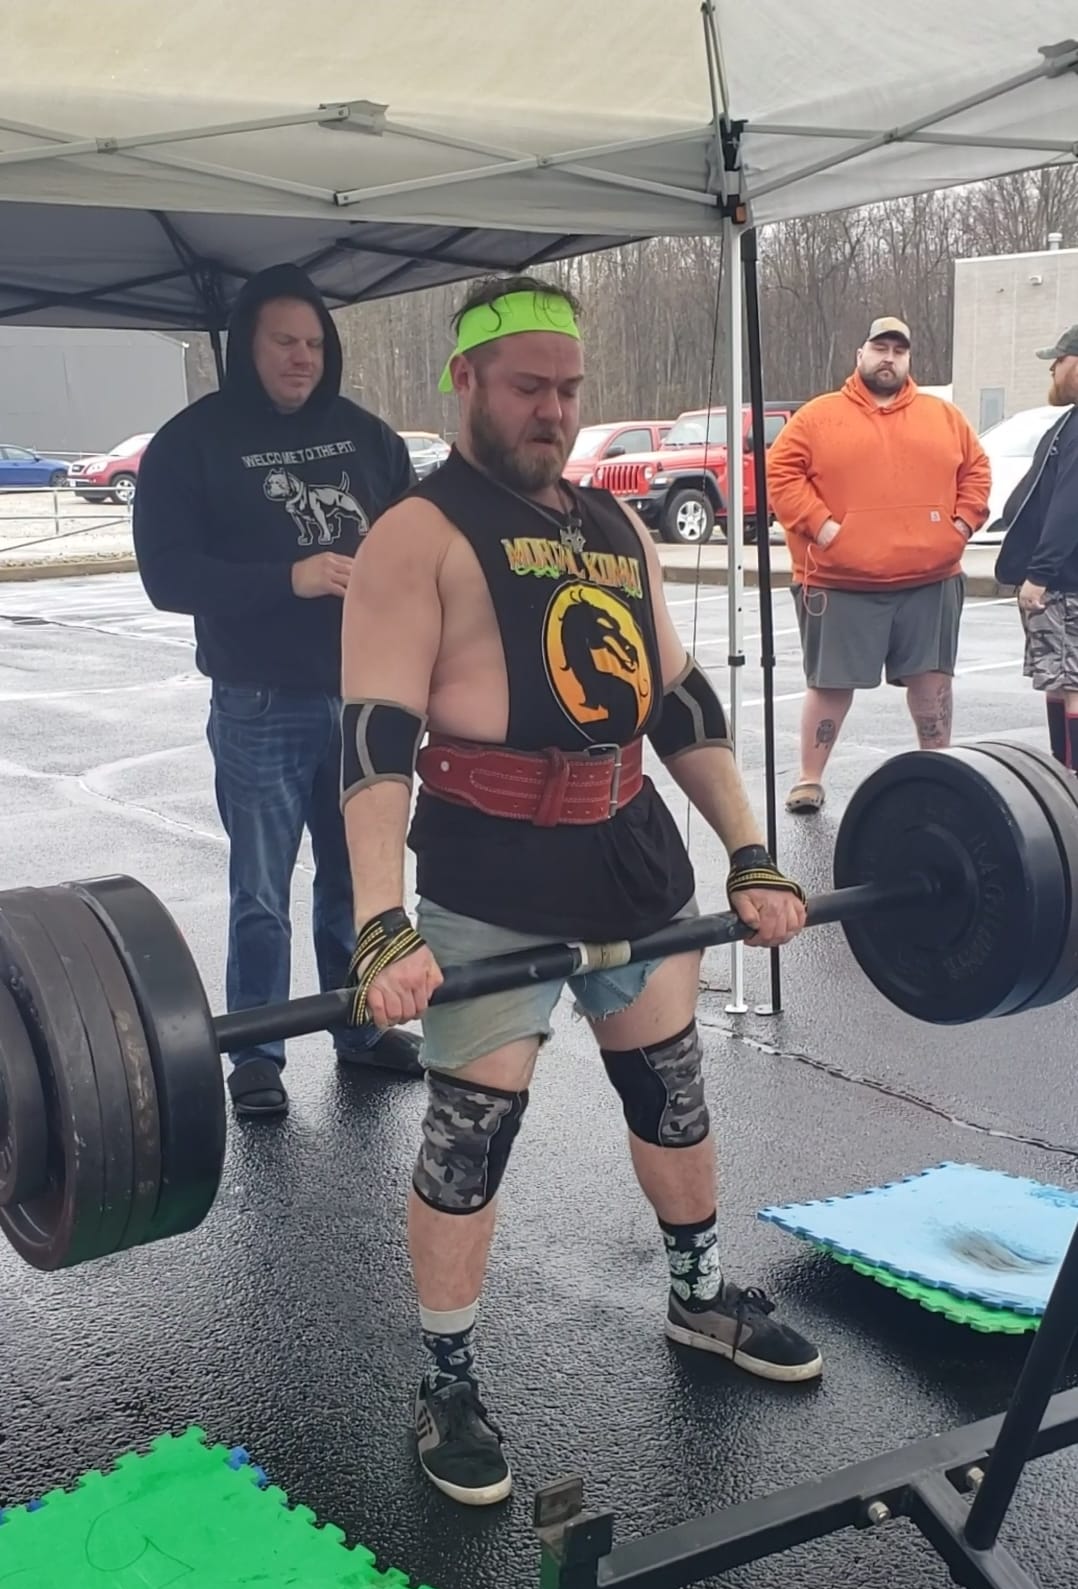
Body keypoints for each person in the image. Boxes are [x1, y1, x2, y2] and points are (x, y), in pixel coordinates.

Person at [338, 273, 821, 1510]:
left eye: (568, 389)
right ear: (464, 380)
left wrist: (751, 850)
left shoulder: (614, 526)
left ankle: (697, 1297)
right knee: (470, 1129)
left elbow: (679, 701)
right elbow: (374, 739)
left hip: (629, 850)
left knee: (668, 1087)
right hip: (490, 865)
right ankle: (447, 1379)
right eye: (526, 387)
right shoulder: (415, 533)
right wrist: (380, 921)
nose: (551, 410)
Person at [133, 263, 423, 1116]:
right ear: (245, 348)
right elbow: (165, 575)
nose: (302, 358)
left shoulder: (368, 438)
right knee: (262, 891)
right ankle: (256, 1052)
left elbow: (418, 544)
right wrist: (285, 579)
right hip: (259, 700)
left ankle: (360, 1028)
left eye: (314, 344)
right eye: (284, 342)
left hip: (365, 695)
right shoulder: (190, 444)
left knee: (357, 879)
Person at [767, 318, 991, 813]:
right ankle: (809, 779)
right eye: (880, 348)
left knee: (932, 682)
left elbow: (976, 470)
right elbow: (780, 473)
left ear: (908, 360)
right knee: (829, 685)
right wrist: (823, 526)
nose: (888, 358)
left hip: (931, 579)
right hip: (839, 580)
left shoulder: (944, 416)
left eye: (898, 351)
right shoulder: (818, 417)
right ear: (860, 355)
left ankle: (938, 769)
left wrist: (961, 524)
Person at [996, 325, 1078, 770]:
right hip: (1062, 579)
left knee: (1071, 682)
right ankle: (1064, 775)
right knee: (1058, 681)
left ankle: (1071, 783)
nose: (1052, 370)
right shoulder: (1069, 421)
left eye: (1058, 360)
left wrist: (1040, 574)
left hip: (1066, 583)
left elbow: (1070, 506)